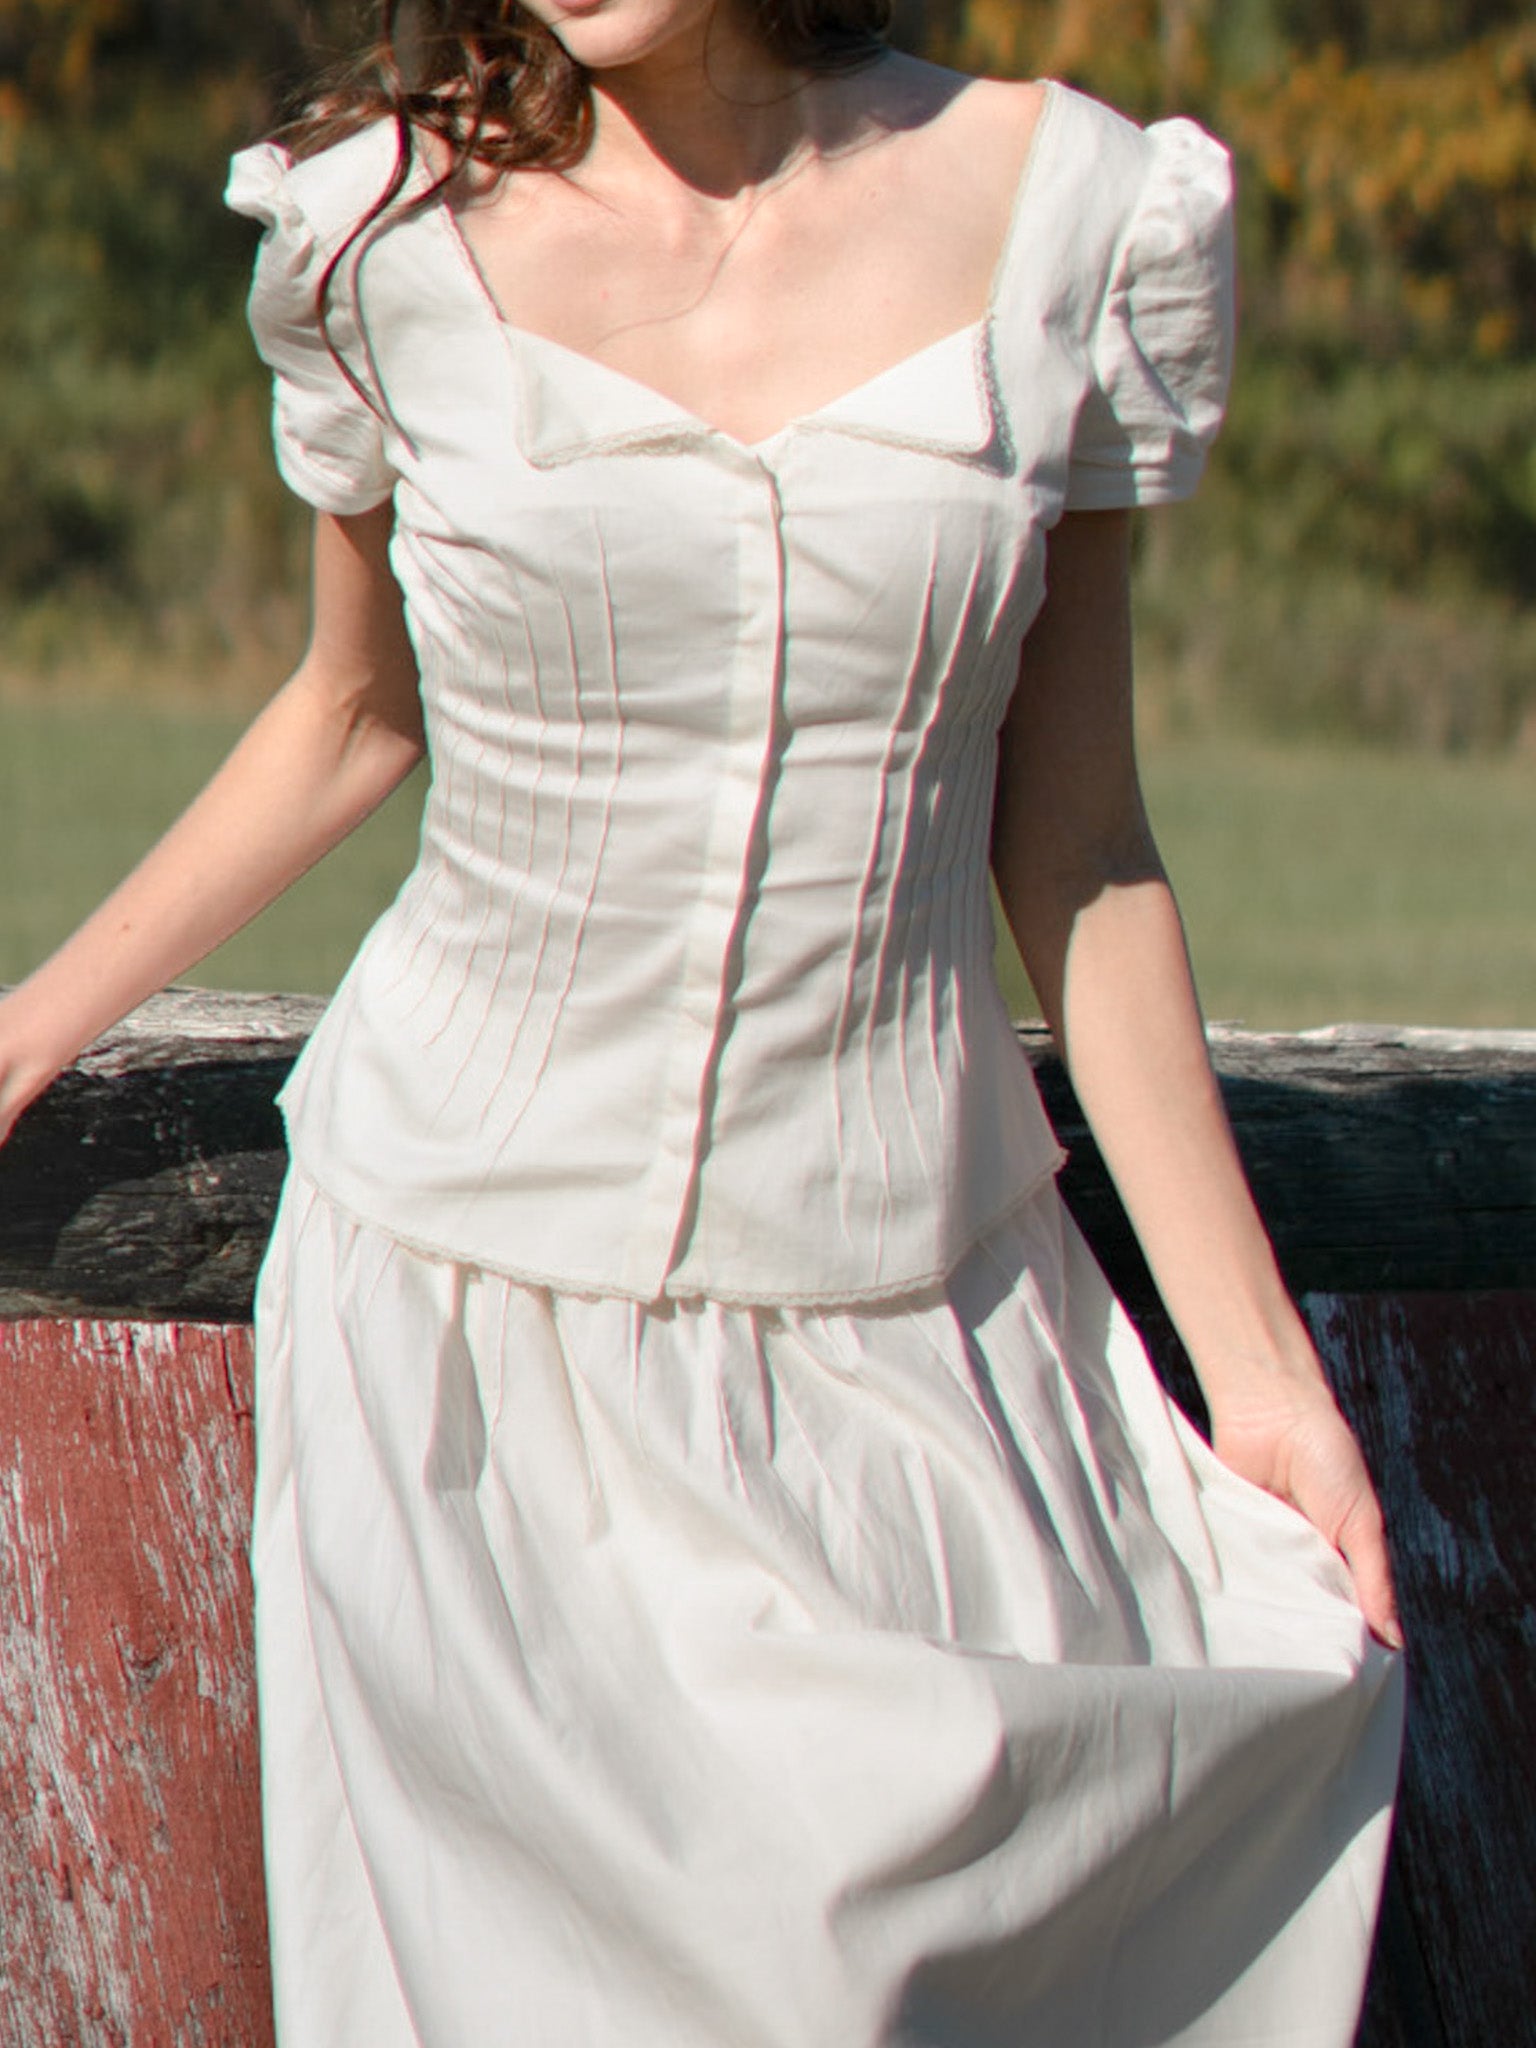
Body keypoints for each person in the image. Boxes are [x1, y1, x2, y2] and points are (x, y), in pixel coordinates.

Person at [0, 1, 1404, 2041]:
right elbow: (351, 715)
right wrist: (31, 1020)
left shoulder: (1075, 217)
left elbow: (1082, 844)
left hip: (924, 1338)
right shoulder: (380, 236)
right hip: (468, 1348)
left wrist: (1262, 1382)